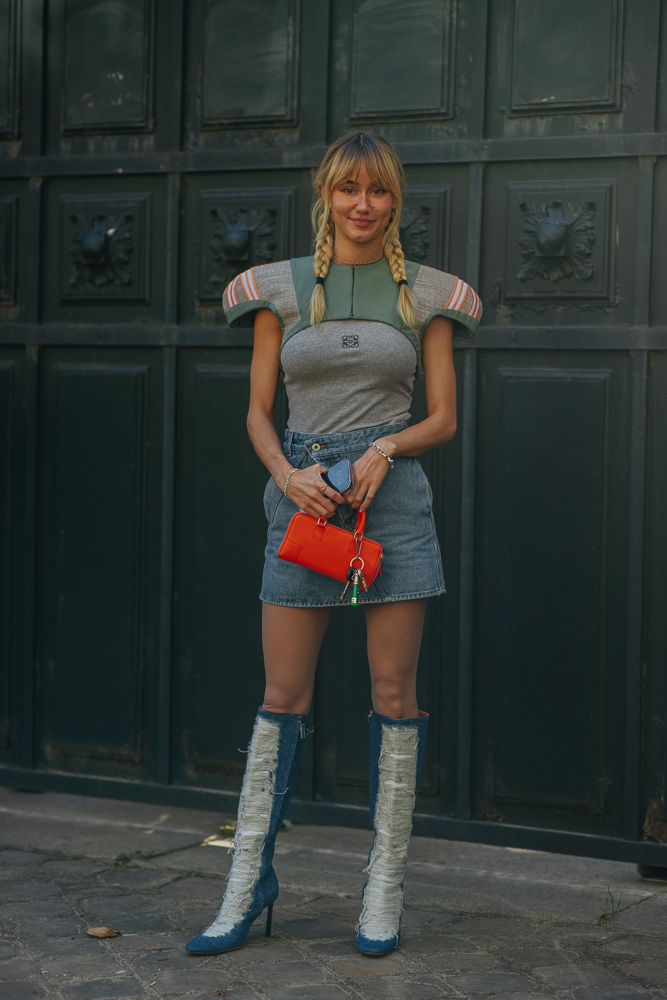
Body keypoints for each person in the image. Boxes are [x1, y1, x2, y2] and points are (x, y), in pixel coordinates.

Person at [185, 131, 482, 958]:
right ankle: (246, 882)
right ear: (326, 194)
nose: (362, 204)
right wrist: (285, 474)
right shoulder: (275, 289)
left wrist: (386, 450)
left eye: (378, 191)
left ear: (394, 200)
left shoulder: (427, 293)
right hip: (303, 499)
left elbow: (443, 417)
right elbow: (256, 410)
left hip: (388, 501)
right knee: (281, 696)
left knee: (394, 694)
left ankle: (381, 888)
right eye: (348, 189)